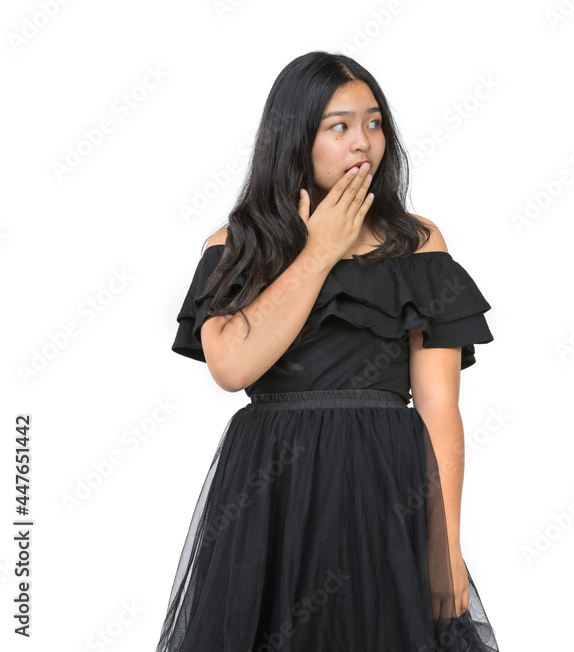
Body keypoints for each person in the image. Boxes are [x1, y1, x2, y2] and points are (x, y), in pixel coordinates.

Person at [155, 51, 501, 651]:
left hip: (385, 488)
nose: (362, 142)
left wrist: (447, 543)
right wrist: (317, 250)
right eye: (339, 126)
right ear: (295, 138)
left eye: (373, 123)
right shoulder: (237, 245)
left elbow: (440, 408)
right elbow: (232, 367)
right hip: (273, 495)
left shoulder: (418, 246)